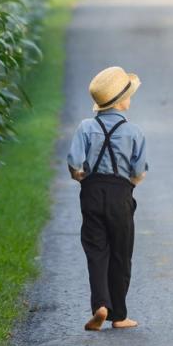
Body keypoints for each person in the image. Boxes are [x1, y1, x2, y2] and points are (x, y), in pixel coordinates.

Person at [67, 66, 148, 331]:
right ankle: (120, 315)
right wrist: (129, 184)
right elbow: (138, 171)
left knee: (96, 250)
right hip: (120, 194)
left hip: (91, 193)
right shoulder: (134, 132)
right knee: (121, 253)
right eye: (129, 96)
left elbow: (74, 163)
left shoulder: (86, 127)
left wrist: (81, 177)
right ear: (122, 101)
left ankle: (100, 305)